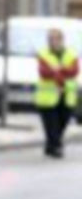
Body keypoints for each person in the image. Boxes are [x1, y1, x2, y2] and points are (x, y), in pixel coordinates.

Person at [35, 28, 79, 158]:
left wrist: (57, 70)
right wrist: (61, 71)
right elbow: (44, 72)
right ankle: (56, 147)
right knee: (51, 124)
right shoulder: (43, 54)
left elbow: (74, 71)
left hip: (67, 95)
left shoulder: (71, 53)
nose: (53, 42)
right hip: (47, 97)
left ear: (61, 40)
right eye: (50, 39)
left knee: (63, 121)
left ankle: (51, 145)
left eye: (55, 39)